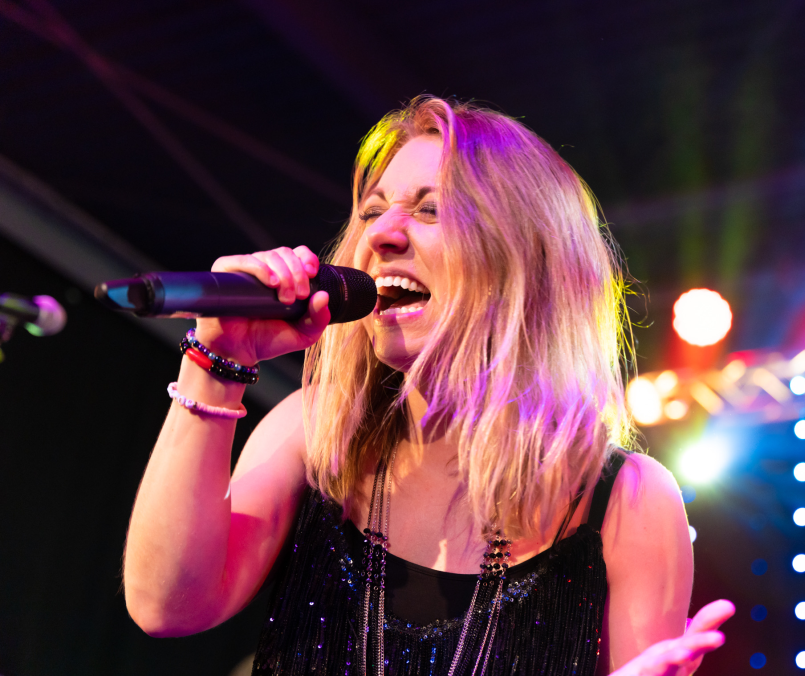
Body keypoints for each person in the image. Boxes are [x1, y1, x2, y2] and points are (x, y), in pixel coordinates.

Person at [123, 96, 733, 676]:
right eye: (372, 212)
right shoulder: (313, 431)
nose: (380, 235)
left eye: (430, 209)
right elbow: (166, 606)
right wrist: (218, 361)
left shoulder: (628, 502)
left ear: (525, 261)